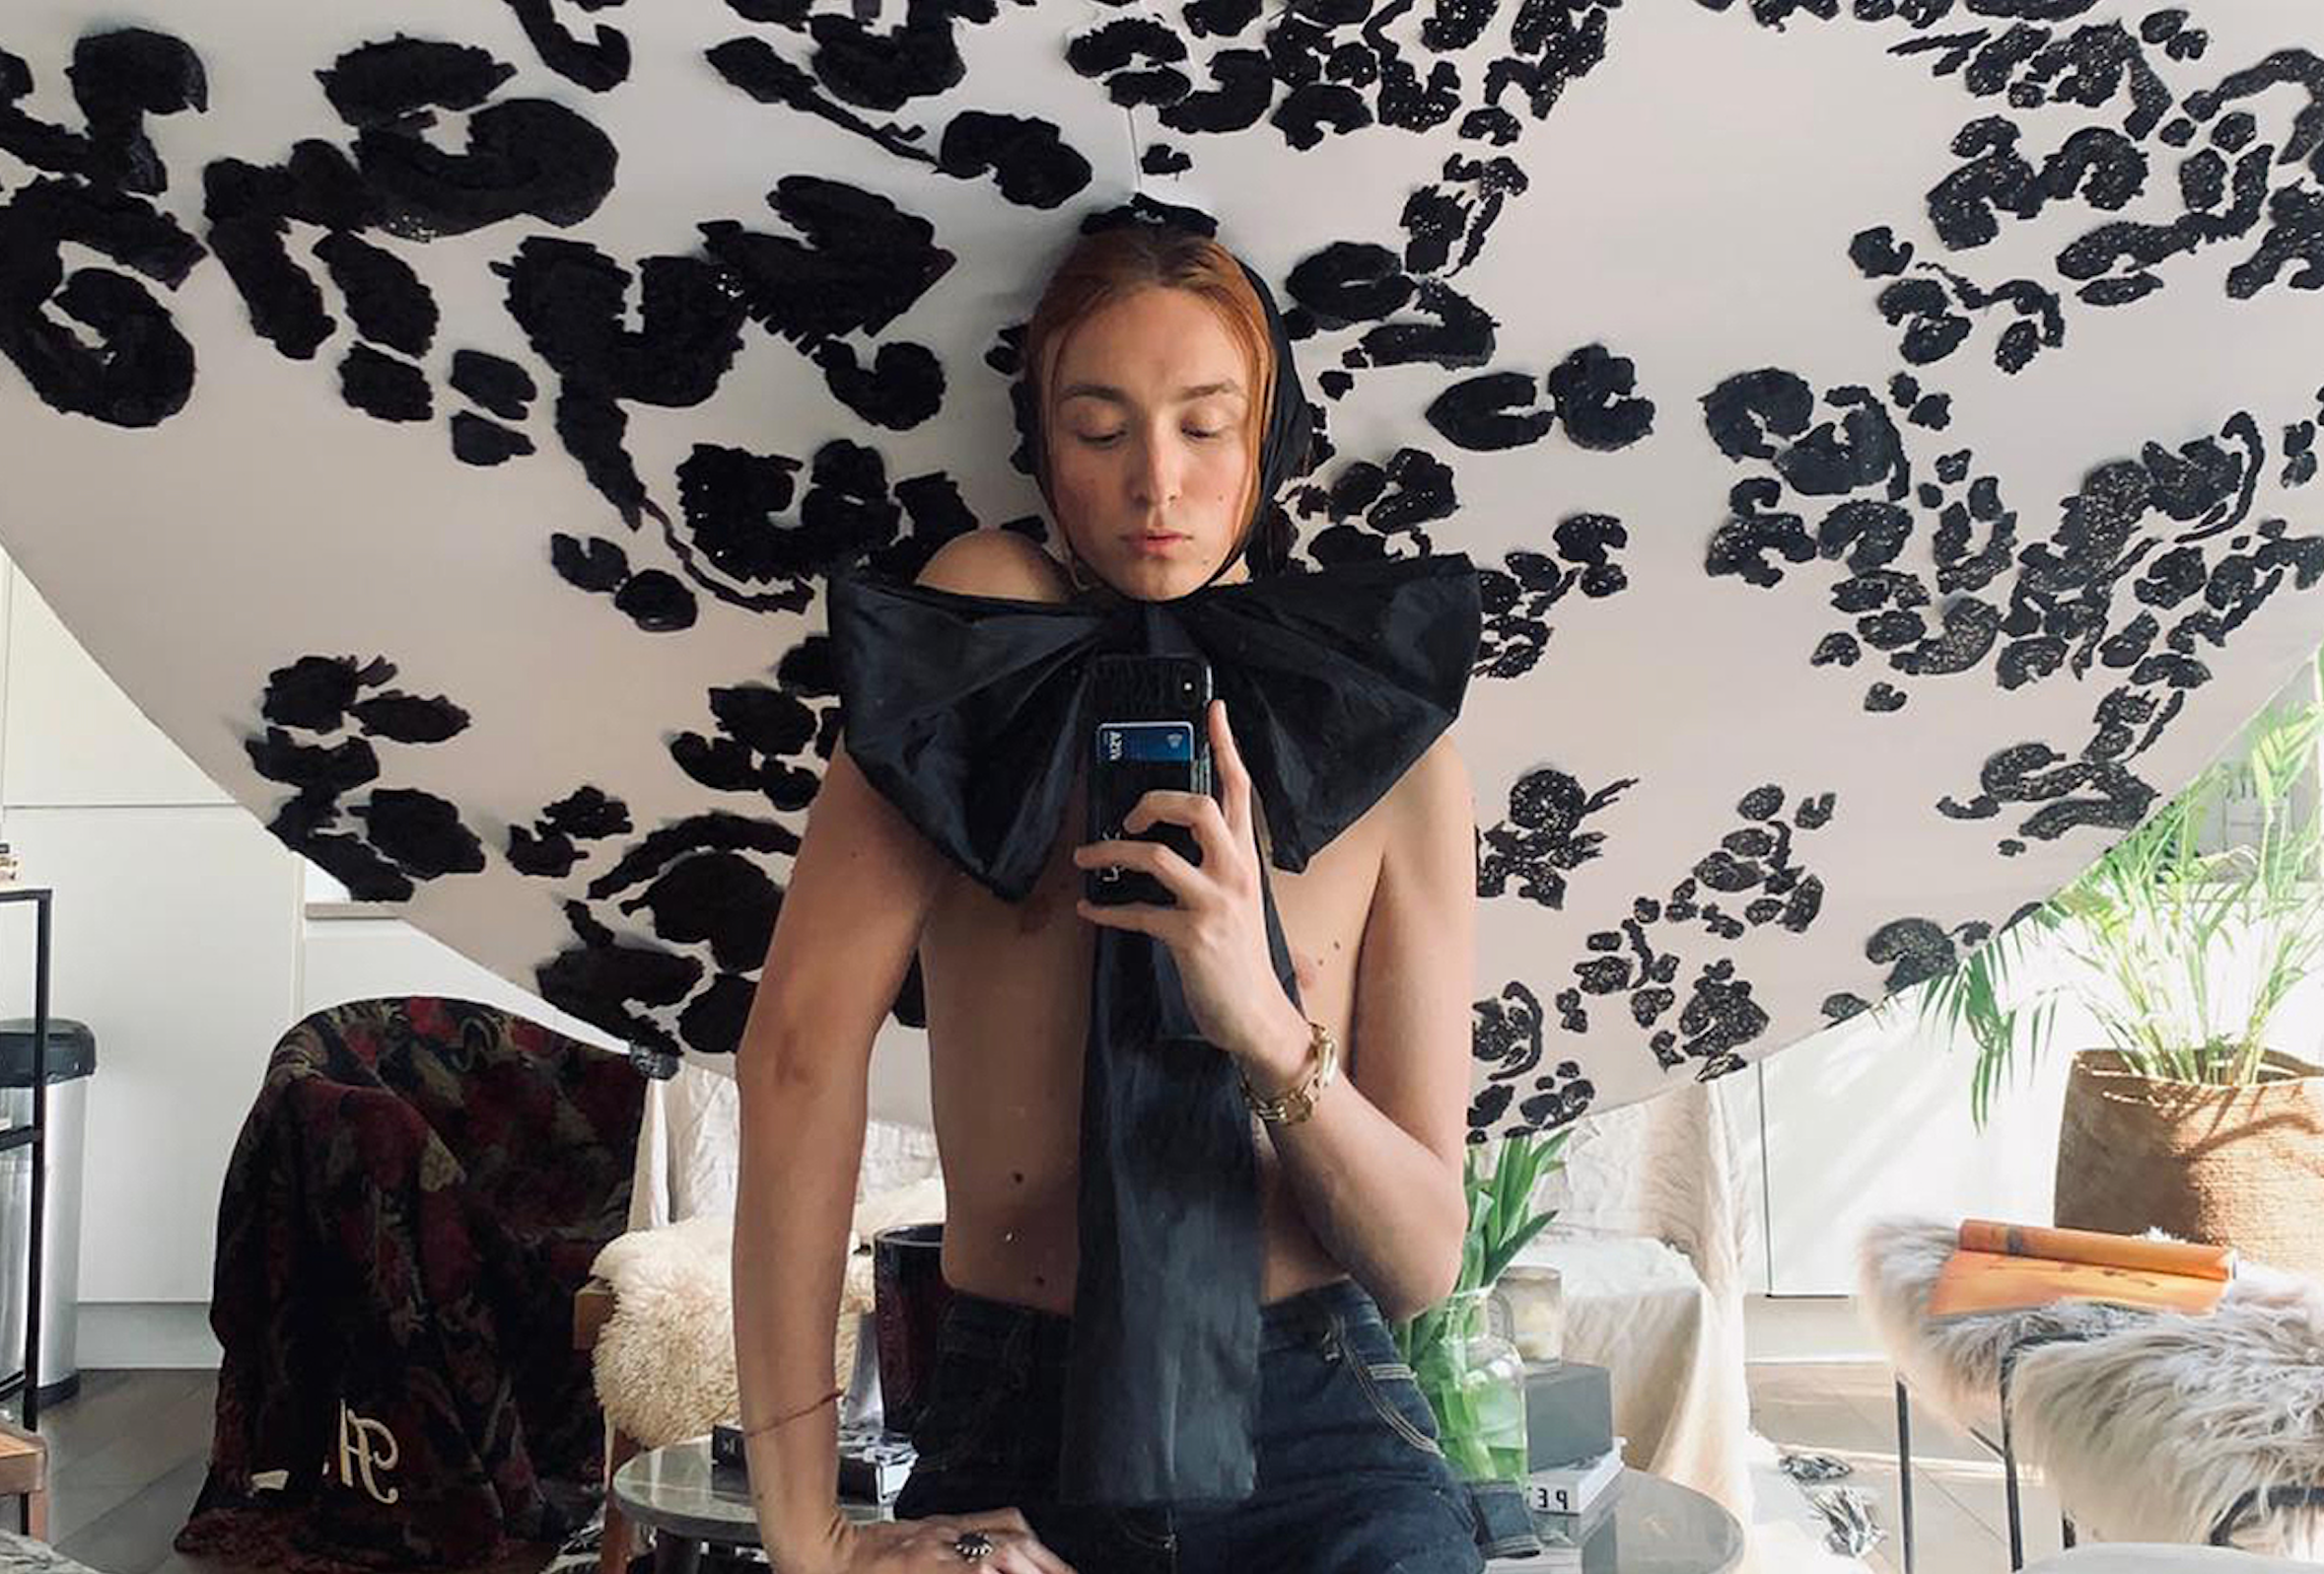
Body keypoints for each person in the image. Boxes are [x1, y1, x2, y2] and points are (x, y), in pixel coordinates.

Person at [731, 224, 1485, 1574]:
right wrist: (807, 1538)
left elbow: (1424, 1262)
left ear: (1271, 437)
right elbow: (796, 1053)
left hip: (1320, 1427)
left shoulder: (1384, 739)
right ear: (1039, 443)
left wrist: (1262, 1021)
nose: (1156, 483)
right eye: (1099, 429)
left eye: (1205, 426)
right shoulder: (968, 663)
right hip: (1022, 1413)